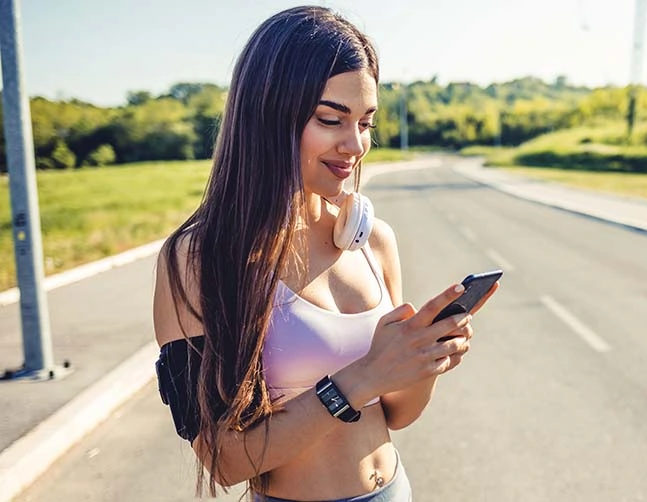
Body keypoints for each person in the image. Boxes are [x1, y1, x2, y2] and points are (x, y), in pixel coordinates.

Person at [152, 6, 499, 501]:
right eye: (332, 119)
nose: (355, 145)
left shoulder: (372, 239)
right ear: (268, 114)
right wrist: (358, 379)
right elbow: (223, 460)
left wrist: (423, 360)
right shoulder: (197, 260)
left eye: (366, 123)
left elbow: (396, 413)